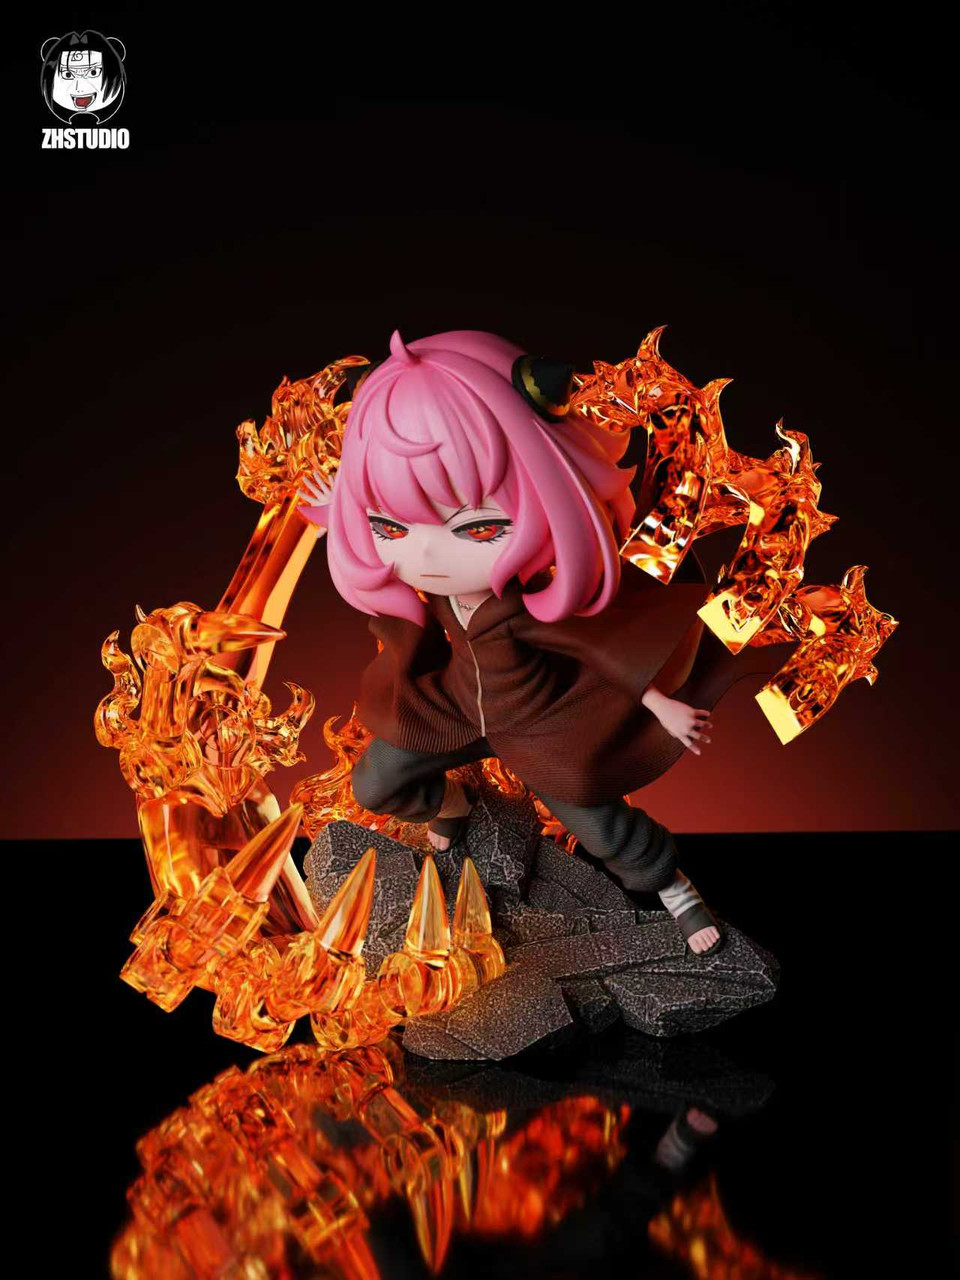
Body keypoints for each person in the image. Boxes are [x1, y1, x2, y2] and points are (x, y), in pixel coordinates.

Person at [296, 329, 778, 956]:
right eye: (391, 526)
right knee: (376, 784)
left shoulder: (527, 603)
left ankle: (677, 892)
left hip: (541, 726)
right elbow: (392, 524)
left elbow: (598, 648)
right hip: (454, 709)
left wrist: (660, 704)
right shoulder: (433, 589)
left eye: (479, 529)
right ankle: (453, 804)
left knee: (602, 827)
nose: (426, 555)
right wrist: (343, 509)